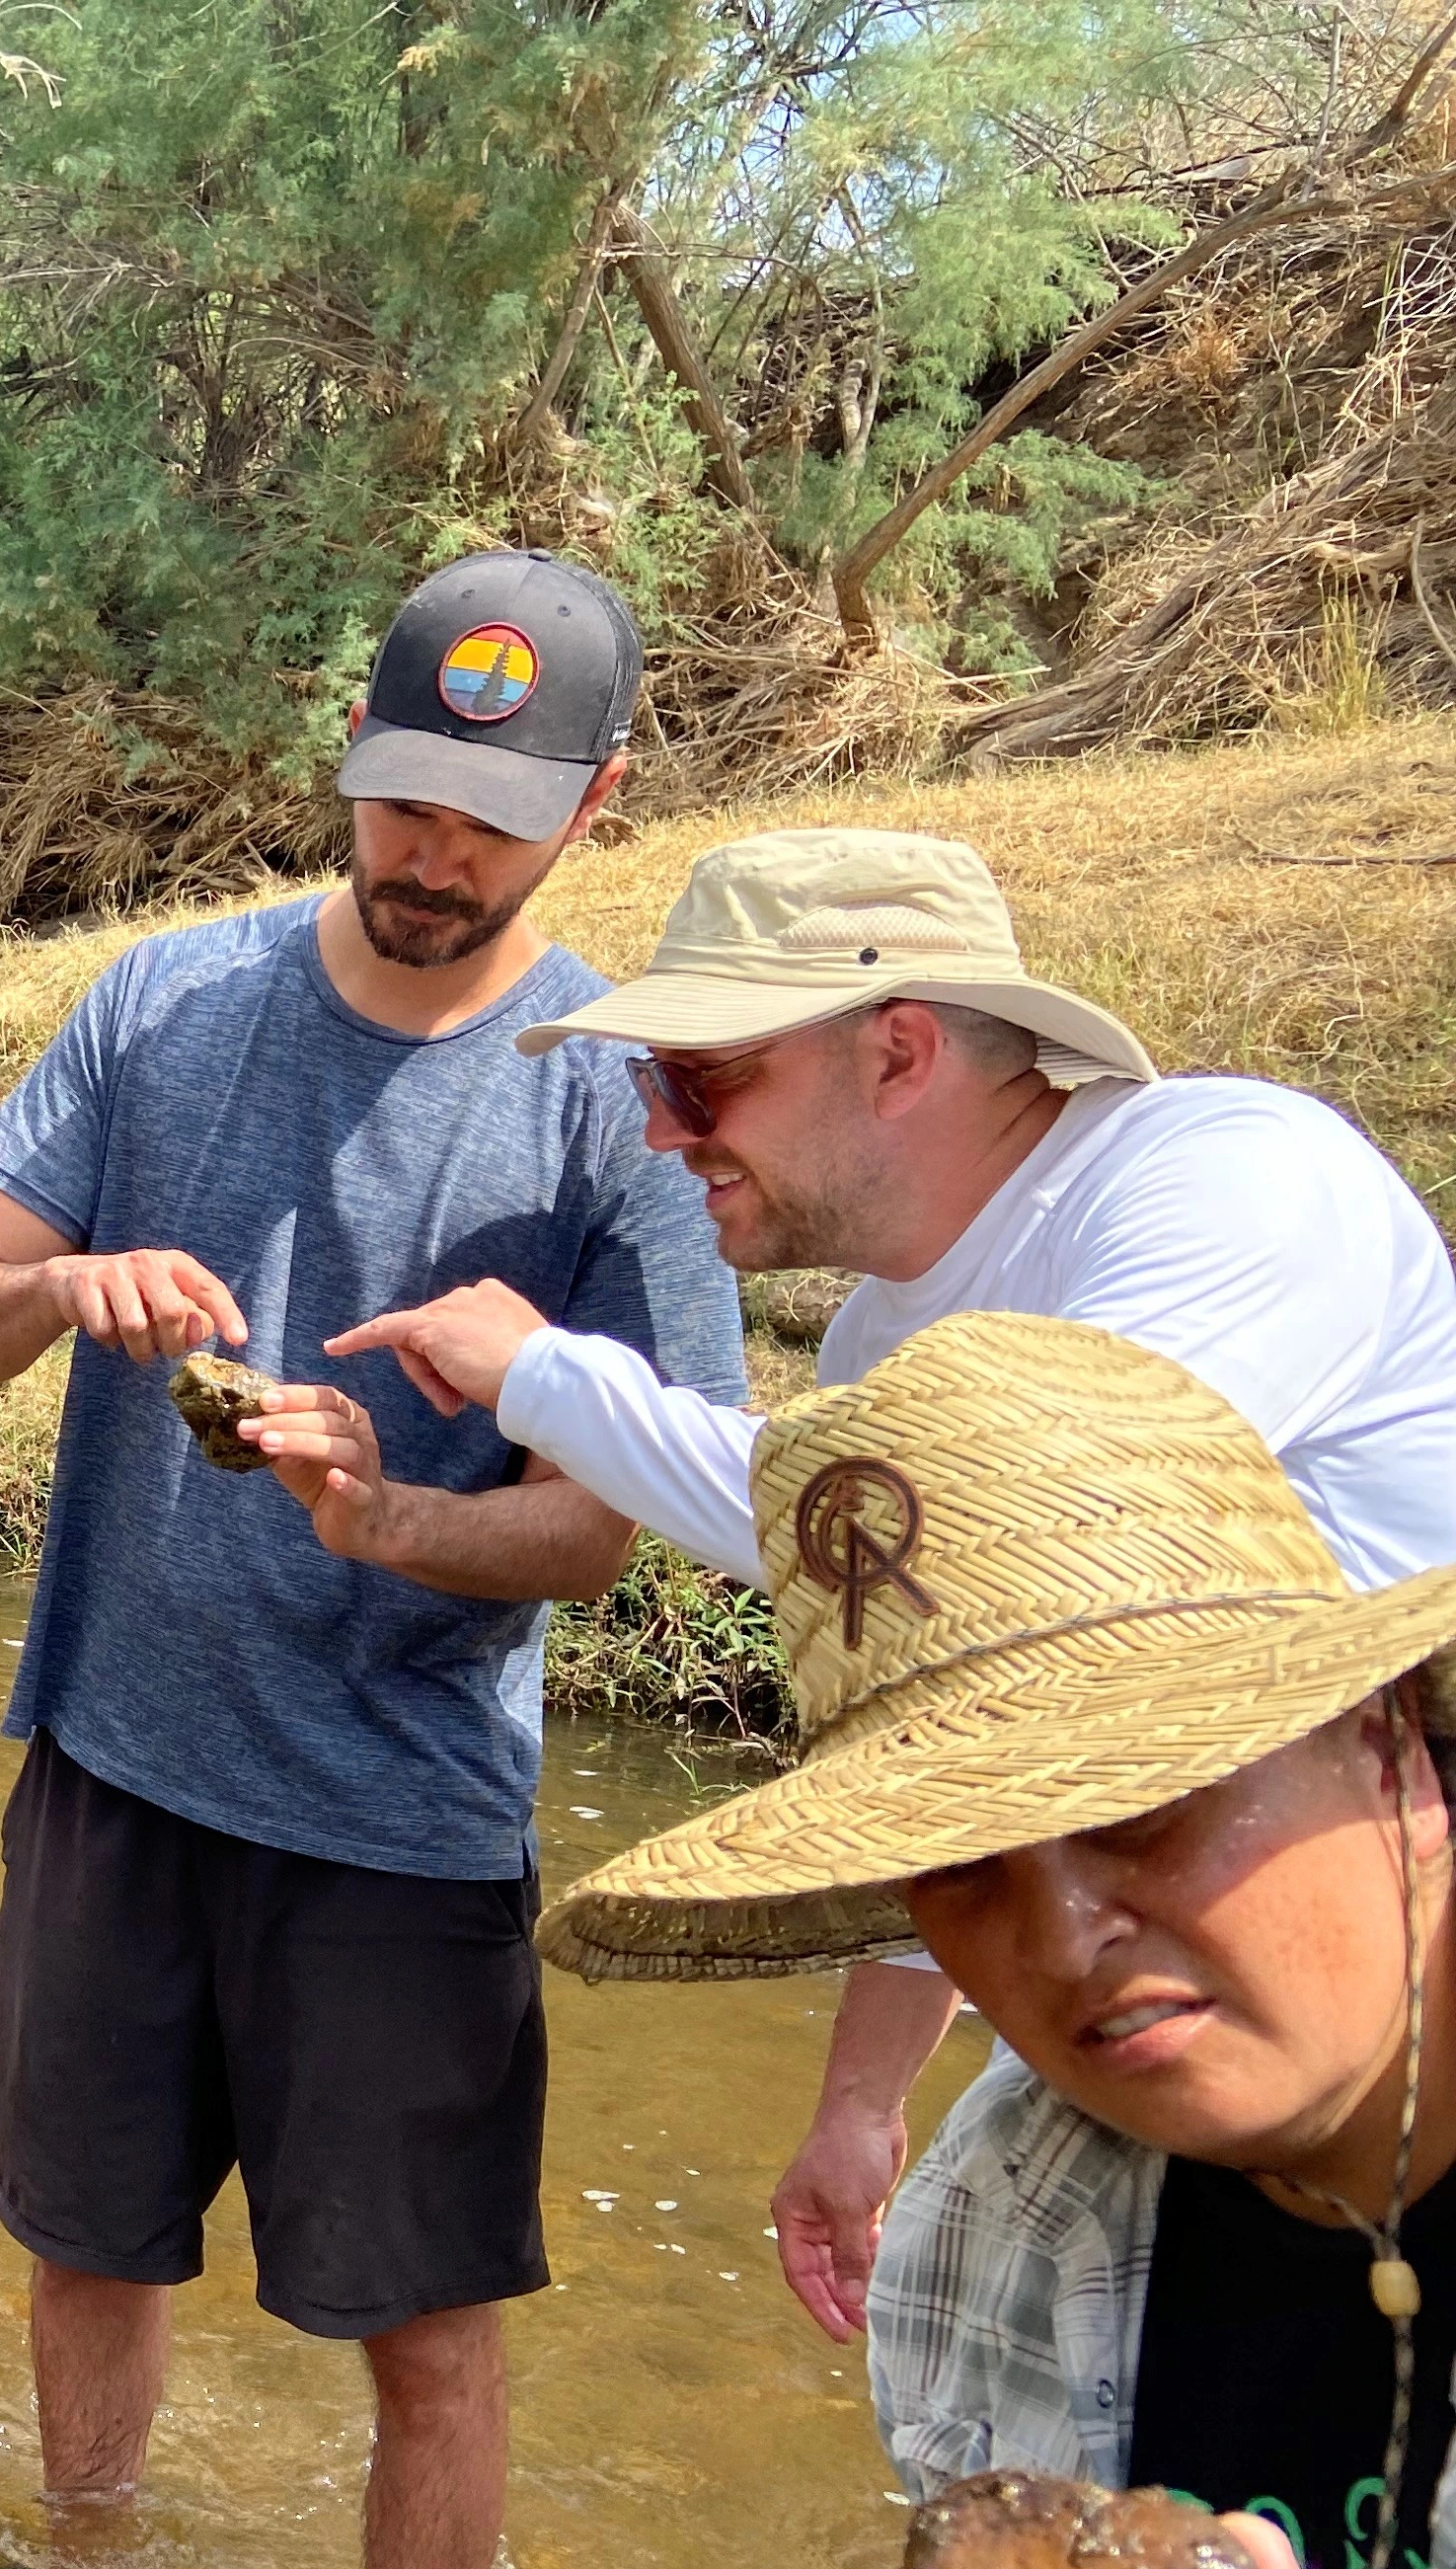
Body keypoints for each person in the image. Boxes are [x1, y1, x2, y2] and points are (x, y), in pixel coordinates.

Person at [0, 550, 745, 2569]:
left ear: (596, 801)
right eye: (398, 797)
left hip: (397, 1822)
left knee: (430, 2332)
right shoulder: (167, 1002)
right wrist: (52, 1286)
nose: (429, 853)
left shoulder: (622, 1097)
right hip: (115, 1762)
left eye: (489, 816)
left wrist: (393, 1528)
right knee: (87, 2244)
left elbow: (611, 1520)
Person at [332, 828, 1456, 2350]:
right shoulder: (875, 1351)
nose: (664, 1136)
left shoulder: (1225, 1178)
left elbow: (1016, 1527)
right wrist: (862, 2104)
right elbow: (976, 1736)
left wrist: (547, 1378)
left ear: (902, 1052)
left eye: (700, 1080)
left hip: (1379, 1968)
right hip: (1168, 1974)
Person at [531, 1311, 1456, 2569]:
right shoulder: (989, 2228)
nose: (1064, 1932)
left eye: (1142, 1797)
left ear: (1386, 1735)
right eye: (960, 1862)